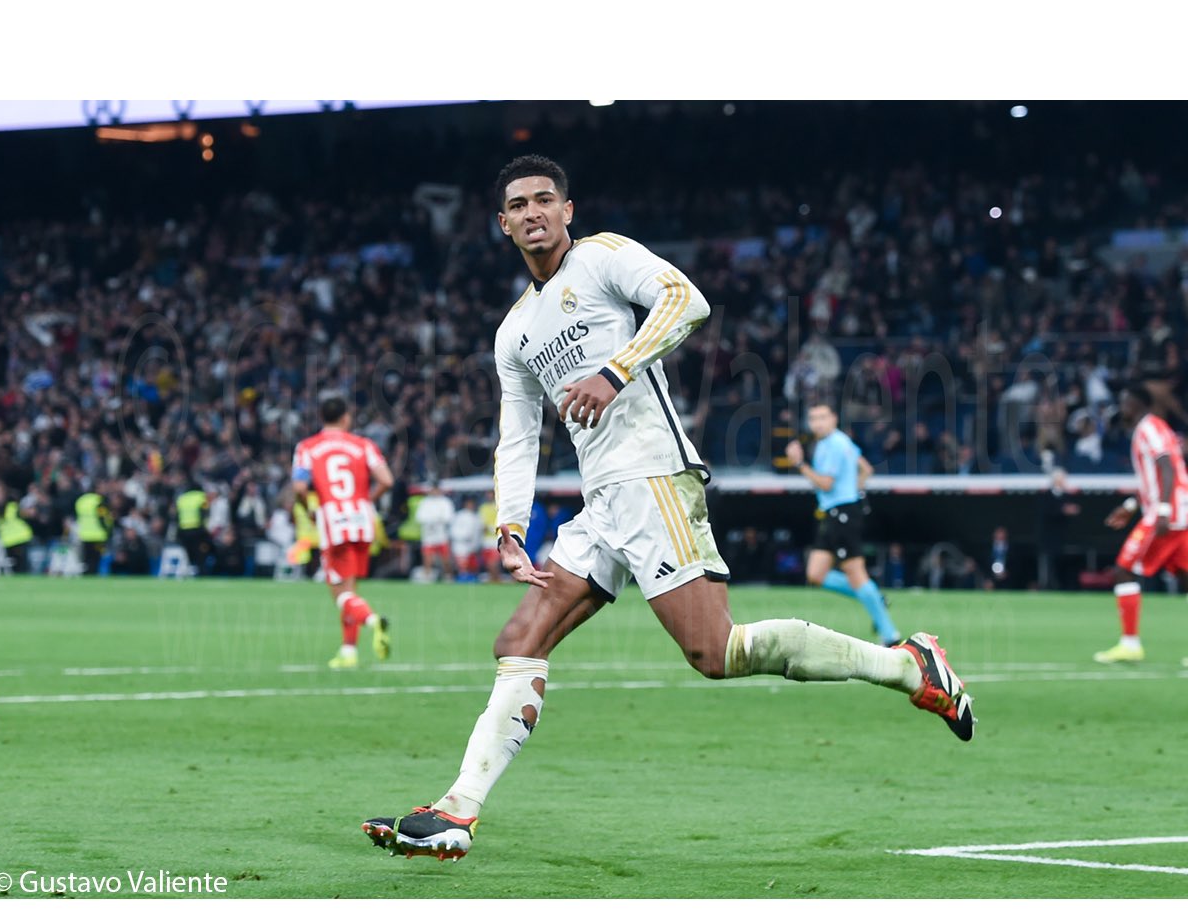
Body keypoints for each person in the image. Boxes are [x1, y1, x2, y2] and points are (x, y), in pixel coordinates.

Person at [363, 154, 974, 862]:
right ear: (502, 225)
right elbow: (518, 433)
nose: (532, 212)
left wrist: (614, 371)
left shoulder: (602, 259)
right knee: (518, 643)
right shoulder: (514, 332)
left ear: (567, 210)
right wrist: (510, 526)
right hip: (601, 505)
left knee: (715, 652)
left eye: (544, 200)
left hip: (653, 478)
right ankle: (456, 811)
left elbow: (687, 300)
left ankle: (908, 666)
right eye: (519, 206)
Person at [291, 395, 394, 669]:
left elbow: (300, 488)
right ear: (346, 417)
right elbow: (386, 479)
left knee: (341, 594)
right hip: (362, 519)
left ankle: (373, 621)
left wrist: (309, 508)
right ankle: (348, 652)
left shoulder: (308, 447)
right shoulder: (363, 445)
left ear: (322, 417)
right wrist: (366, 500)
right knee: (351, 589)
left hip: (333, 522)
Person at [785, 404, 901, 646]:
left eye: (822, 418)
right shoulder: (842, 441)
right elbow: (866, 469)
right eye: (813, 418)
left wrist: (799, 464)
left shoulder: (832, 445)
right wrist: (853, 491)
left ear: (834, 419)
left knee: (855, 572)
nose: (817, 423)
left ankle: (890, 634)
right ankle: (874, 596)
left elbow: (825, 484)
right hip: (836, 512)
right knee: (815, 574)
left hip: (842, 513)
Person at [1093, 382, 1188, 663]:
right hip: (1179, 512)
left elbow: (1166, 466)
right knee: (1185, 580)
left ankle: (1130, 644)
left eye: (1125, 402)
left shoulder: (1149, 428)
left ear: (1138, 404)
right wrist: (1131, 505)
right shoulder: (1154, 428)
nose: (1122, 408)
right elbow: (1155, 475)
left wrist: (1160, 509)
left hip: (1168, 516)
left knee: (1124, 570)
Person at [415, 482, 455, 581]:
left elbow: (449, 517)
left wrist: (437, 520)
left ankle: (448, 576)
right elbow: (419, 517)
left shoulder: (445, 502)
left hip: (441, 535)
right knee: (427, 557)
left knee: (445, 558)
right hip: (428, 535)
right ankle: (427, 576)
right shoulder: (425, 502)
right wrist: (431, 521)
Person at [74, 483, 112, 575]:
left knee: (86, 559)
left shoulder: (81, 501)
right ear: (97, 489)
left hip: (84, 535)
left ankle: (86, 577)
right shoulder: (99, 501)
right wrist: (108, 530)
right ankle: (93, 576)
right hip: (98, 536)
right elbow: (102, 517)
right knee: (95, 559)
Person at [450, 495, 483, 581]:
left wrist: (477, 545)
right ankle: (461, 578)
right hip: (461, 545)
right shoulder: (459, 515)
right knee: (462, 565)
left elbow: (478, 533)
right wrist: (464, 536)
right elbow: (453, 531)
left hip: (473, 547)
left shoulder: (476, 517)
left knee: (472, 566)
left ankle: (471, 579)